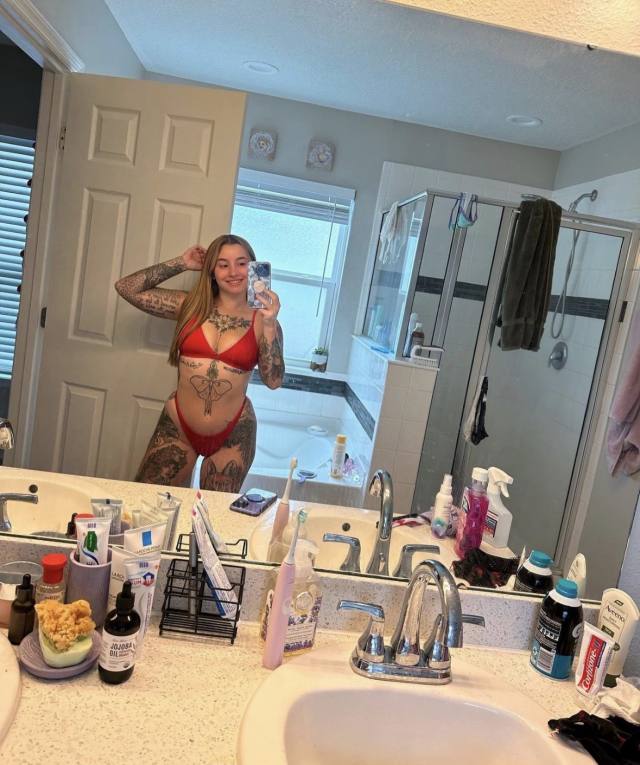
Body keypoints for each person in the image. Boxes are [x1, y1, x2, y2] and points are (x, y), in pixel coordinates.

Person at [114, 234, 284, 491]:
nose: (233, 272)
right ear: (212, 271)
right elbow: (126, 287)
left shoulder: (264, 321)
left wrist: (270, 324)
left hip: (234, 434)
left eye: (241, 263)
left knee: (212, 513)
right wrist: (181, 263)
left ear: (253, 268)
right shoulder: (190, 306)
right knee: (145, 500)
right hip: (178, 427)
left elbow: (274, 381)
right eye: (223, 264)